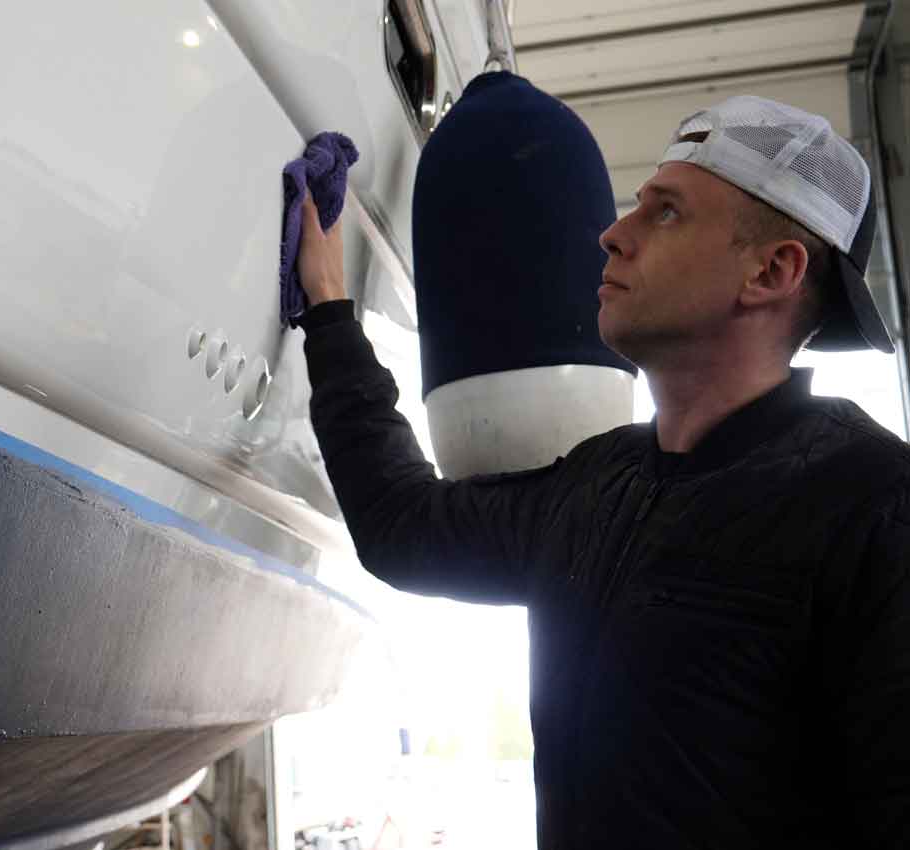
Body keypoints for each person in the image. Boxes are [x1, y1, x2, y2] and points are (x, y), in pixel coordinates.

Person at [296, 96, 910, 847]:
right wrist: (326, 314)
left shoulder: (875, 509)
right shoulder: (596, 486)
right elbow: (403, 528)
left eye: (666, 213)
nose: (612, 234)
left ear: (771, 271)